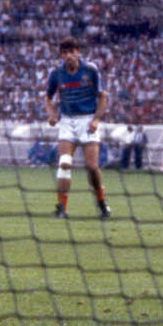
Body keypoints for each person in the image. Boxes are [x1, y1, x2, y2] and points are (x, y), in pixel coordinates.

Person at [43, 36, 111, 219]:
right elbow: (48, 98)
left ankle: (102, 203)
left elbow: (103, 96)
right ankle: (61, 207)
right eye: (65, 53)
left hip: (87, 120)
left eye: (72, 52)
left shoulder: (90, 70)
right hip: (67, 121)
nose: (69, 56)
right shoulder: (56, 73)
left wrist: (96, 119)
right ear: (62, 55)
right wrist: (51, 115)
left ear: (78, 52)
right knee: (64, 162)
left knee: (91, 166)